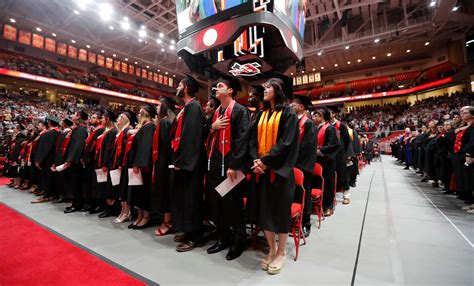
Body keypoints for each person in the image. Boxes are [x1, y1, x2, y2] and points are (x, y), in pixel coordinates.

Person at [249, 78, 299, 275]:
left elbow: (286, 143)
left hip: (279, 172)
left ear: (278, 90)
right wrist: (256, 160)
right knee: (265, 212)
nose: (264, 89)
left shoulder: (288, 113)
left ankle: (281, 253)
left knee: (279, 213)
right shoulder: (262, 113)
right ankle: (271, 250)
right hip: (262, 170)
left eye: (268, 87)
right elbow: (252, 140)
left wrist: (266, 162)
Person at [205, 76, 250, 260]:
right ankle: (223, 238)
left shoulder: (240, 111)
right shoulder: (216, 112)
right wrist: (212, 127)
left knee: (233, 205)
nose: (216, 87)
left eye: (220, 85)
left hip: (232, 168)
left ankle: (239, 240)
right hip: (215, 165)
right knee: (217, 205)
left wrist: (234, 165)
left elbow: (243, 139)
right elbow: (206, 135)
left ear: (230, 91)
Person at [170, 75, 206, 252]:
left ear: (185, 88)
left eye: (179, 85)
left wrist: (183, 161)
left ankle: (195, 236)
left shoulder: (194, 107)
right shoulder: (186, 108)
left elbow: (191, 138)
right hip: (183, 162)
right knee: (184, 199)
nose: (176, 87)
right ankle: (187, 231)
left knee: (192, 200)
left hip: (191, 164)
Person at [290, 95, 316, 237]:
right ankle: (292, 220)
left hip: (302, 165)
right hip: (291, 165)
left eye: (293, 105)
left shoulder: (308, 124)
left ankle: (305, 223)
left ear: (301, 107)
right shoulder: (291, 121)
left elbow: (307, 147)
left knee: (303, 194)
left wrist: (295, 162)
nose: (290, 107)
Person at [128, 105, 156, 229]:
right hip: (139, 165)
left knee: (144, 193)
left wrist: (137, 164)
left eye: (140, 112)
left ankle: (146, 217)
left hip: (144, 167)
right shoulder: (143, 127)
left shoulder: (149, 127)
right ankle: (140, 216)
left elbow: (145, 148)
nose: (138, 115)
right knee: (138, 193)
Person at [152, 97, 175, 235]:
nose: (157, 108)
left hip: (165, 164)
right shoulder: (162, 122)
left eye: (159, 105)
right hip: (160, 162)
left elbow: (167, 145)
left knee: (165, 193)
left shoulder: (166, 122)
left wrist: (163, 164)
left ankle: (167, 222)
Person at [313, 108, 340, 217]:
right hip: (317, 159)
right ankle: (320, 204)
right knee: (318, 182)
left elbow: (334, 144)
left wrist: (320, 151)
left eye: (316, 116)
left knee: (328, 183)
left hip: (326, 160)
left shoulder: (330, 129)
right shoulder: (315, 128)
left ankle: (329, 206)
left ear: (322, 117)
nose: (314, 118)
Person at [112, 110, 136, 223]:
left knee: (124, 190)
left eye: (121, 117)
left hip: (125, 164)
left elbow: (125, 150)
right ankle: (123, 211)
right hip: (122, 164)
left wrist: (121, 163)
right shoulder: (121, 131)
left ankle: (126, 212)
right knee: (122, 190)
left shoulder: (127, 130)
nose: (118, 119)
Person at [63, 110, 89, 213]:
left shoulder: (81, 130)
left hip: (76, 162)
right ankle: (74, 203)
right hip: (74, 160)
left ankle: (76, 204)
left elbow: (77, 147)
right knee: (73, 183)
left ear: (78, 116)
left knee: (76, 184)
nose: (72, 116)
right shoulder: (77, 129)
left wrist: (70, 160)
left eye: (74, 114)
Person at [95, 109, 119, 218]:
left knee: (109, 188)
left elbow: (109, 150)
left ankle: (110, 209)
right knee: (104, 187)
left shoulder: (113, 131)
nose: (101, 120)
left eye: (103, 118)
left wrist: (105, 163)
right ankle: (107, 208)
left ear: (108, 119)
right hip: (104, 163)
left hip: (109, 164)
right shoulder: (107, 131)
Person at [31, 117, 60, 203]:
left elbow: (43, 149)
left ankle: (46, 195)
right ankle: (53, 194)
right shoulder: (59, 133)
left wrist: (38, 160)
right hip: (56, 160)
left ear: (49, 123)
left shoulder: (47, 134)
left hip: (47, 160)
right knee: (53, 178)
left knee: (46, 178)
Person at [80, 112, 105, 213]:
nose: (91, 119)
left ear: (99, 120)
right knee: (89, 183)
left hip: (93, 161)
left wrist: (86, 159)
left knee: (94, 184)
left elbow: (93, 146)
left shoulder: (100, 130)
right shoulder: (95, 130)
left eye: (94, 117)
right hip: (89, 160)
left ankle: (95, 204)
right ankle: (90, 203)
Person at [328, 107, 351, 205]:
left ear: (333, 114)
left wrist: (342, 151)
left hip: (340, 154)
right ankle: (331, 196)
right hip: (330, 154)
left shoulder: (341, 125)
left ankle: (346, 196)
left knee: (343, 174)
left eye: (328, 113)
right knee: (331, 175)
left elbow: (347, 140)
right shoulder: (327, 125)